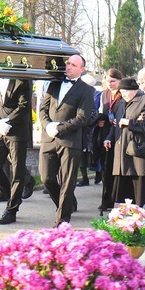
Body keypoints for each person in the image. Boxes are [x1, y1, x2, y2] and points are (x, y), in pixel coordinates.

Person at [39, 54, 94, 226]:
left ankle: (62, 221)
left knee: (68, 182)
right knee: (46, 178)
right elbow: (43, 109)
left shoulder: (86, 90)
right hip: (49, 138)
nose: (68, 67)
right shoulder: (54, 85)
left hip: (70, 141)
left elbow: (83, 118)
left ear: (82, 69)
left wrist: (59, 127)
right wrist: (47, 125)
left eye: (73, 65)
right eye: (68, 63)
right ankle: (65, 205)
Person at [0, 77, 32, 225]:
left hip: (16, 130)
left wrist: (8, 121)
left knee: (17, 171)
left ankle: (11, 209)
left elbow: (23, 106)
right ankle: (7, 193)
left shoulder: (22, 81)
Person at [105, 77, 145, 207]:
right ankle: (128, 212)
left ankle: (142, 211)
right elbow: (116, 123)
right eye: (122, 92)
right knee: (125, 185)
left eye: (126, 91)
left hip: (137, 148)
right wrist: (109, 138)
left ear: (134, 90)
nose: (124, 94)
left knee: (139, 183)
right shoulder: (121, 102)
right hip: (122, 149)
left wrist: (129, 122)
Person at [93, 69, 123, 211]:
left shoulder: (123, 94)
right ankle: (106, 199)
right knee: (105, 167)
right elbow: (101, 110)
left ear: (119, 81)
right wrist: (100, 119)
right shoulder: (104, 94)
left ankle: (117, 198)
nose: (110, 84)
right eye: (108, 81)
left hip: (119, 132)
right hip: (106, 132)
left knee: (116, 167)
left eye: (113, 81)